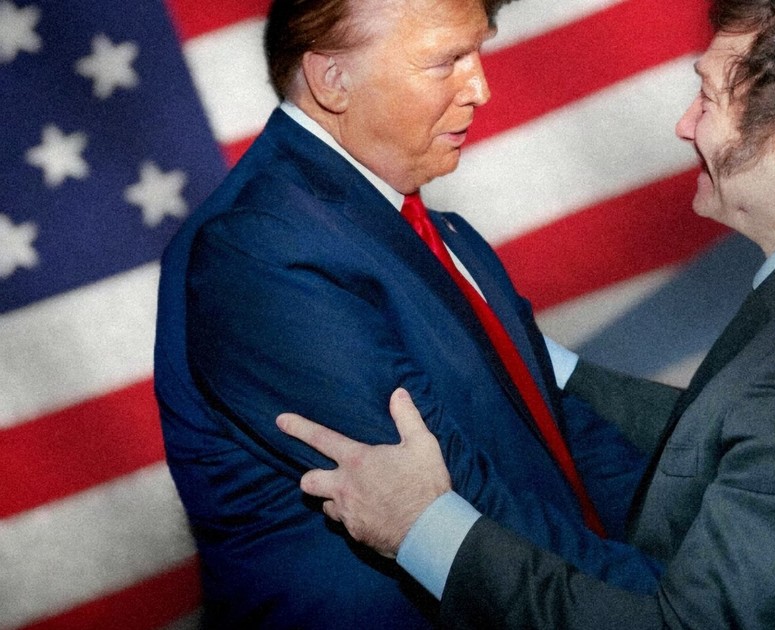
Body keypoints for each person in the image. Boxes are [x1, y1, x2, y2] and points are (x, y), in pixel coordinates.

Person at [277, 0, 775, 627]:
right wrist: (530, 360)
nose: (685, 126)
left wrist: (420, 527)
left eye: (708, 99)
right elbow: (732, 435)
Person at [153, 0, 670, 625]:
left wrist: (702, 574)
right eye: (446, 61)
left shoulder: (439, 233)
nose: (480, 88)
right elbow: (458, 501)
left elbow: (567, 435)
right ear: (332, 80)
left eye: (478, 52)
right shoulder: (259, 247)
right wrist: (669, 609)